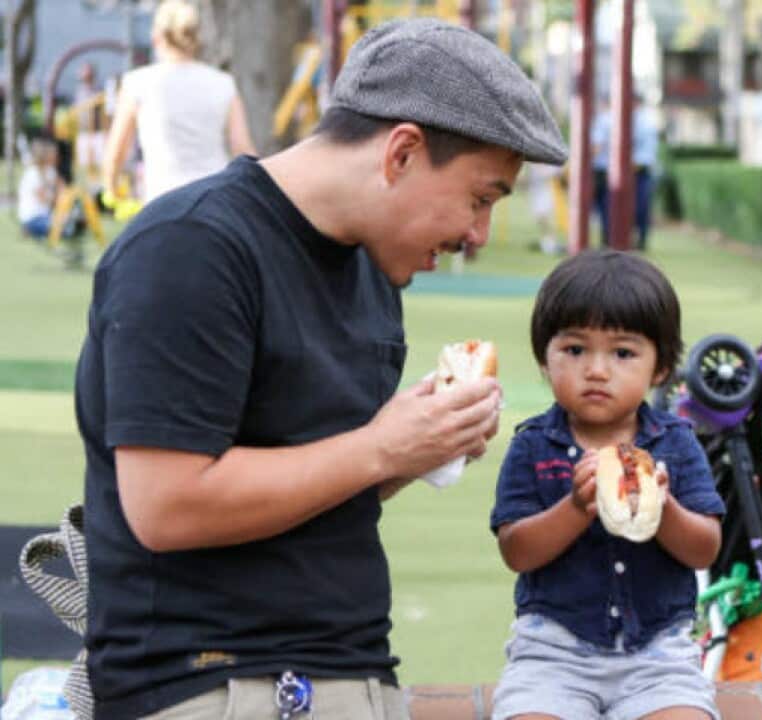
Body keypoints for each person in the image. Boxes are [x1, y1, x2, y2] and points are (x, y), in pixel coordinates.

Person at [75, 18, 567, 719]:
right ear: (401, 153)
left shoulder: (370, 270)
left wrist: (418, 448)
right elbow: (166, 504)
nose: (477, 236)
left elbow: (317, 483)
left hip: (353, 672)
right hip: (213, 682)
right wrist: (380, 447)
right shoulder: (191, 248)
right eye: (480, 198)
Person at [489, 249, 725, 720]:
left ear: (659, 368)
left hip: (659, 657)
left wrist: (663, 508)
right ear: (544, 358)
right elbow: (518, 552)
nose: (596, 370)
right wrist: (578, 506)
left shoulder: (675, 444)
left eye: (622, 352)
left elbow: (704, 550)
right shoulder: (533, 446)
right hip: (553, 653)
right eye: (575, 350)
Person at [101, 0, 256, 204]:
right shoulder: (224, 83)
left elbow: (116, 153)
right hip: (215, 201)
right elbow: (242, 149)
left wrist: (113, 191)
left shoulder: (137, 83)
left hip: (162, 201)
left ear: (157, 37)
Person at [591, 93, 660, 250]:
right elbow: (596, 145)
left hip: (637, 173)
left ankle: (639, 241)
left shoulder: (646, 123)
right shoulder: (606, 120)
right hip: (608, 172)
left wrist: (625, 166)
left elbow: (647, 154)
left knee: (639, 208)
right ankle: (608, 240)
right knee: (607, 208)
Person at [18, 137, 64, 239]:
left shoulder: (50, 171)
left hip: (45, 214)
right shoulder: (33, 174)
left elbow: (61, 185)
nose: (56, 157)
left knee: (65, 223)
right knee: (61, 228)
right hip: (33, 217)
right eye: (53, 154)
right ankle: (29, 229)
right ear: (45, 157)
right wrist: (60, 199)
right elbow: (43, 198)